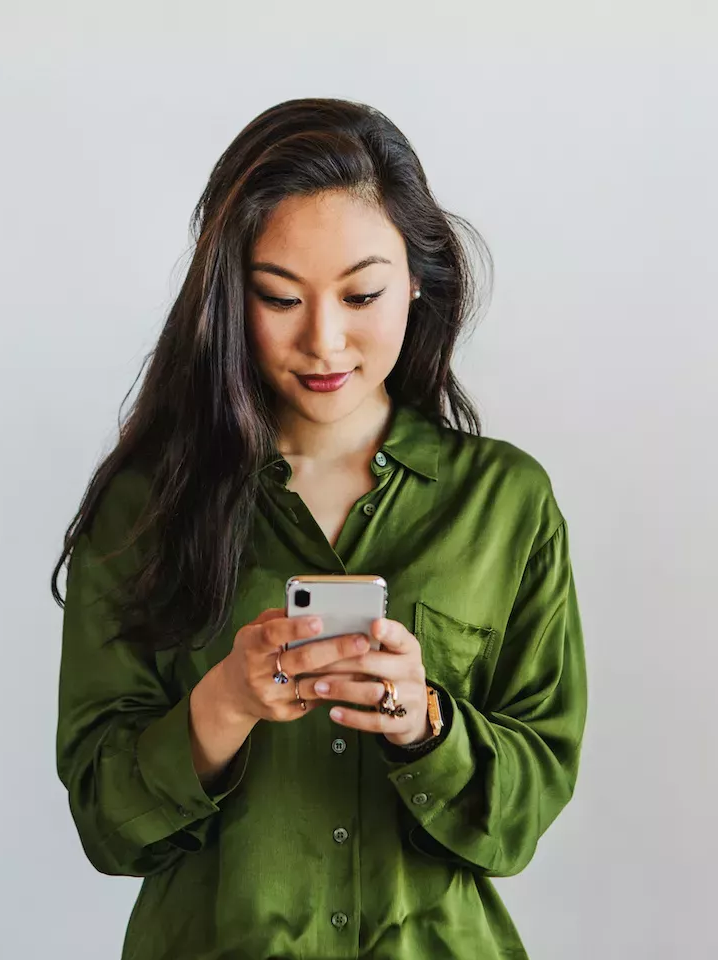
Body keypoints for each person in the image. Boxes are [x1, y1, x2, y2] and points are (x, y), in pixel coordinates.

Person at [51, 97, 587, 960]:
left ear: (418, 278)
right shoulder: (145, 508)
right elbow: (108, 828)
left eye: (362, 293)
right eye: (278, 297)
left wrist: (427, 723)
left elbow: (523, 814)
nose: (324, 341)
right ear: (231, 296)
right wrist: (225, 703)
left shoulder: (505, 503)